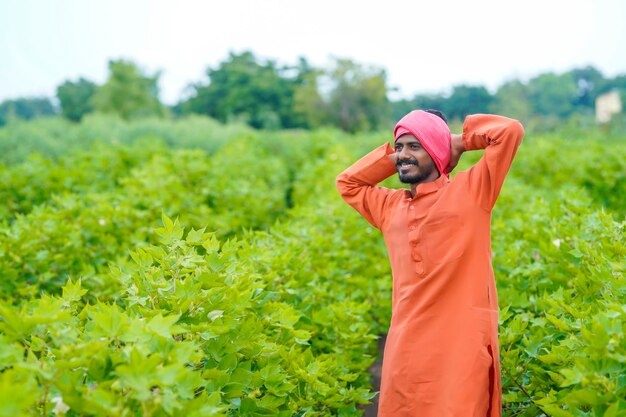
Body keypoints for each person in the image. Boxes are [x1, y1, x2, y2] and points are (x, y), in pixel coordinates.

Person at [336, 110, 524, 416]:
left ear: (436, 150)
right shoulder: (389, 206)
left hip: (460, 346)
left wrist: (457, 142)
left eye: (414, 146)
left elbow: (510, 131)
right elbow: (348, 183)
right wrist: (394, 155)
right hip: (406, 345)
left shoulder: (473, 192)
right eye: (399, 147)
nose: (403, 155)